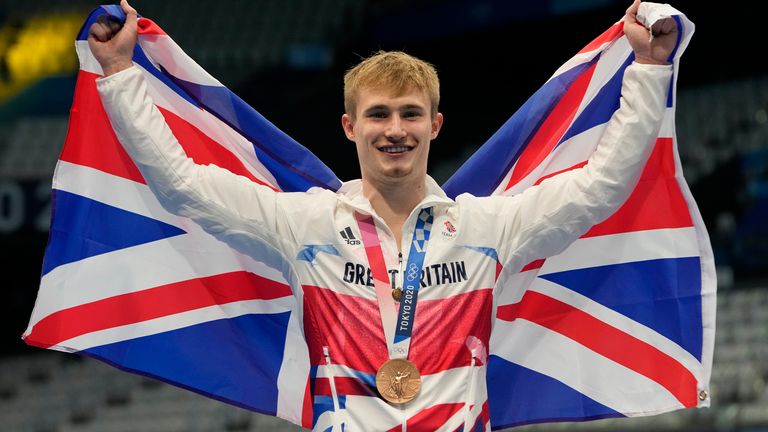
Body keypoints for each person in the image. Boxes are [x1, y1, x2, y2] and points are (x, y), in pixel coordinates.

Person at [88, 0, 678, 430]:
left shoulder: (488, 228)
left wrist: (649, 70)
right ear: (350, 127)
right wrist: (119, 75)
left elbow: (603, 185)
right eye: (378, 115)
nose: (395, 130)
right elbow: (183, 185)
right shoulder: (305, 225)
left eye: (410, 114)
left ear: (435, 125)